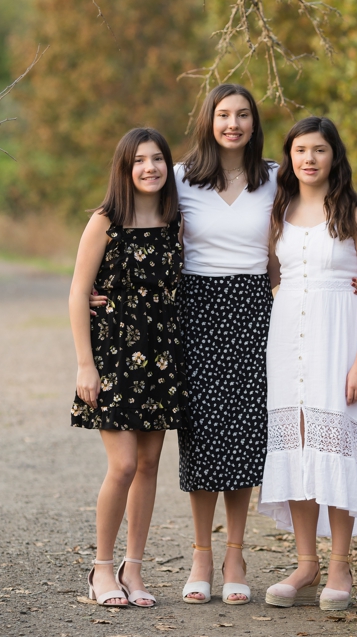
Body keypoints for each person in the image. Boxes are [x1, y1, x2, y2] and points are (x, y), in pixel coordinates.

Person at [258, 117, 357, 610]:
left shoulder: (354, 213)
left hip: (340, 341)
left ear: (334, 156)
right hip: (288, 337)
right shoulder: (280, 210)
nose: (308, 159)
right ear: (289, 157)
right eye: (299, 150)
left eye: (319, 150)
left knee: (333, 444)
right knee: (296, 441)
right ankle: (305, 564)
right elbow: (273, 272)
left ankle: (340, 566)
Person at [68, 128, 188, 608]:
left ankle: (133, 570)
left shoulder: (175, 220)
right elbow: (79, 291)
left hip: (162, 357)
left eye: (158, 159)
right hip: (114, 356)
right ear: (124, 167)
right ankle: (101, 569)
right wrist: (84, 365)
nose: (150, 168)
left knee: (149, 464)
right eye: (140, 160)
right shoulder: (105, 221)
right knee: (122, 464)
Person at [169, 84, 277, 605]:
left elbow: (318, 229)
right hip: (198, 311)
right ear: (208, 121)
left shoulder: (276, 178)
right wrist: (97, 285)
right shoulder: (179, 180)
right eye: (223, 114)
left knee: (245, 433)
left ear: (254, 124)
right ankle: (201, 555)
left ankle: (236, 553)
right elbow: (128, 224)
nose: (232, 123)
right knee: (202, 434)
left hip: (256, 310)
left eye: (242, 115)